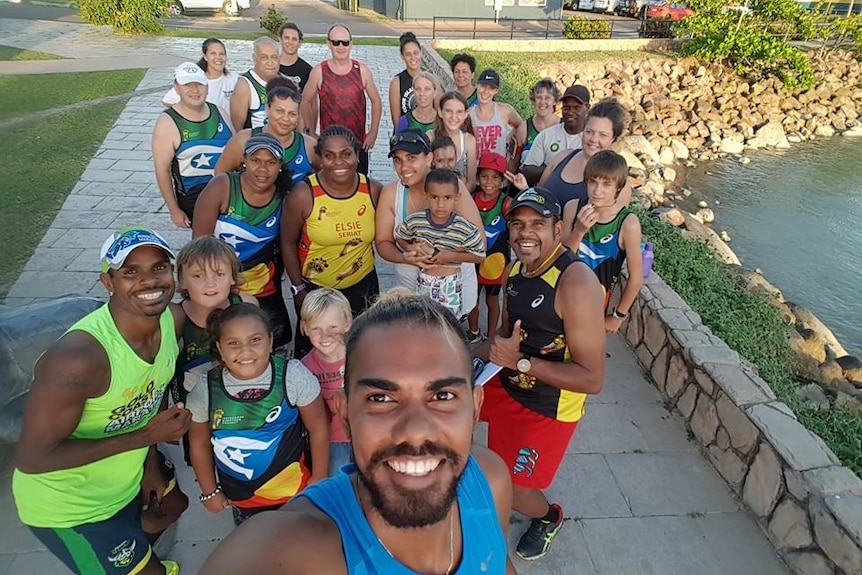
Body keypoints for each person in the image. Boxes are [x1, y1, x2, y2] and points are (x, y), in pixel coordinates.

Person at [198, 290, 517, 575]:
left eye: (443, 396)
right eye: (380, 398)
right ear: (345, 413)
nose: (416, 431)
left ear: (475, 409)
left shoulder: (490, 480)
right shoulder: (290, 546)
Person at [12, 227, 191, 575]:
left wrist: (149, 464)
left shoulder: (171, 321)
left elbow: (150, 397)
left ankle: (132, 555)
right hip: (71, 507)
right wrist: (143, 440)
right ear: (108, 282)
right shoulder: (79, 359)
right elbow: (33, 458)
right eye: (130, 272)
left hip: (125, 476)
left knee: (172, 506)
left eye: (158, 267)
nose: (148, 281)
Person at [477, 187, 605, 561]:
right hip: (509, 382)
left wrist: (520, 363)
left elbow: (593, 379)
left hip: (548, 405)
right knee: (446, 407)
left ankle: (550, 517)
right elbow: (504, 337)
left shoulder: (575, 282)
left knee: (518, 490)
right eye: (517, 224)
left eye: (537, 223)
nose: (525, 233)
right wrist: (464, 353)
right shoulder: (515, 268)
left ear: (559, 229)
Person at [187, 303, 329, 525]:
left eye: (255, 340)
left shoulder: (292, 376)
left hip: (295, 492)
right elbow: (199, 444)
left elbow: (318, 427)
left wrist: (319, 478)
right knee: (255, 551)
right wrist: (209, 492)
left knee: (298, 547)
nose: (246, 351)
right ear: (220, 348)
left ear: (270, 341)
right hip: (243, 500)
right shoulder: (206, 390)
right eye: (233, 343)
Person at [281, 125, 383, 358]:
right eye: (329, 156)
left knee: (362, 353)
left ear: (357, 156)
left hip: (363, 286)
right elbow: (287, 243)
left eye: (346, 154)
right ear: (320, 158)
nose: (338, 162)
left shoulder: (373, 191)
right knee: (316, 356)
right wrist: (298, 289)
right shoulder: (303, 195)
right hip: (317, 290)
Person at [193, 132, 294, 350]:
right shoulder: (222, 186)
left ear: (279, 166)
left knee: (271, 342)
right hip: (219, 280)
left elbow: (289, 243)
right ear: (244, 160)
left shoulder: (286, 196)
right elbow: (199, 246)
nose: (263, 168)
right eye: (255, 160)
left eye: (270, 162)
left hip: (262, 281)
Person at [375, 129, 485, 321]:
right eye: (398, 160)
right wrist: (406, 255)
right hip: (411, 293)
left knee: (451, 335)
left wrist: (439, 253)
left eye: (411, 157)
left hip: (454, 290)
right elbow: (383, 242)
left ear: (429, 158)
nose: (404, 166)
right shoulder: (392, 193)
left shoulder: (452, 187)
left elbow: (479, 242)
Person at [172, 235, 258, 464]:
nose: (210, 283)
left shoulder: (247, 305)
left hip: (242, 409)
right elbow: (162, 370)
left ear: (232, 276)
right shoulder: (174, 318)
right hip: (196, 415)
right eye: (198, 275)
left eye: (219, 274)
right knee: (204, 463)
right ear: (182, 280)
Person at [507, 98, 632, 224]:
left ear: (613, 139)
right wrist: (525, 189)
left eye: (603, 135)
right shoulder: (563, 157)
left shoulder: (618, 182)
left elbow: (611, 229)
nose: (593, 139)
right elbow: (540, 199)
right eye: (589, 132)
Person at [567, 150, 643, 331]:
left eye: (606, 184)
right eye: (592, 182)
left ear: (618, 186)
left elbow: (636, 277)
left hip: (595, 309)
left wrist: (618, 316)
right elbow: (561, 260)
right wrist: (578, 231)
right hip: (562, 297)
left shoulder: (627, 223)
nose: (597, 191)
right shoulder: (573, 207)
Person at [152, 62, 234, 229]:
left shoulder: (219, 112)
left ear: (207, 87)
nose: (195, 90)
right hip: (194, 197)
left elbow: (235, 150)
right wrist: (174, 210)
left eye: (199, 84)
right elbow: (162, 171)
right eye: (187, 85)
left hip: (227, 192)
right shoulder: (167, 123)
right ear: (176, 88)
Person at [395, 169, 486, 317]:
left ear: (457, 197)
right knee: (424, 322)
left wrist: (451, 256)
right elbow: (400, 236)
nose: (440, 204)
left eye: (447, 198)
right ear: (426, 196)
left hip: (450, 285)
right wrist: (410, 247)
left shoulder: (464, 228)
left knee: (448, 325)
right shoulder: (416, 221)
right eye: (434, 197)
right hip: (424, 282)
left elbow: (480, 256)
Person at [302, 24, 382, 176]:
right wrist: (310, 131)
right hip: (330, 147)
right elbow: (305, 101)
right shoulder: (319, 72)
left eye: (345, 42)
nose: (341, 46)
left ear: (351, 44)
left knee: (359, 186)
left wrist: (373, 132)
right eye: (336, 42)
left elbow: (376, 101)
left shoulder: (362, 71)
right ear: (328, 44)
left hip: (357, 144)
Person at [215, 81, 319, 186]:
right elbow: (220, 175)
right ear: (267, 109)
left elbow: (325, 178)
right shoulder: (243, 140)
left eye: (292, 114)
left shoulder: (309, 146)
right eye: (279, 111)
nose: (286, 119)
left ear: (298, 116)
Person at [299, 288, 353, 475]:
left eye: (333, 327)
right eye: (316, 329)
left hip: (366, 432)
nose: (325, 336)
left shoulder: (361, 356)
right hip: (332, 440)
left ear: (347, 323)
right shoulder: (303, 369)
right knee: (337, 486)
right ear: (304, 328)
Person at [466, 152, 512, 343]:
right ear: (478, 177)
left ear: (502, 180)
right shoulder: (470, 199)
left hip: (496, 262)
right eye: (484, 176)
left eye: (495, 177)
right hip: (472, 260)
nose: (489, 182)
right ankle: (474, 332)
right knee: (472, 300)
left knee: (492, 301)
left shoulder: (506, 203)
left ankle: (491, 335)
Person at [521, 84, 590, 186]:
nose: (571, 112)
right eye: (567, 107)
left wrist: (548, 168)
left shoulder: (592, 140)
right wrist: (558, 168)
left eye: (577, 108)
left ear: (587, 107)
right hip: (546, 196)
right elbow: (527, 171)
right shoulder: (546, 135)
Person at [469, 69, 525, 173]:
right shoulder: (468, 114)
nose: (486, 91)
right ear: (477, 85)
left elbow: (521, 125)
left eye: (491, 88)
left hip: (498, 173)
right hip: (476, 172)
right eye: (483, 86)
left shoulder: (505, 110)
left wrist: (510, 137)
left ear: (496, 91)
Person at [162, 38, 240, 112]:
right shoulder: (197, 79)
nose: (218, 57)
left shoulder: (234, 78)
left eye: (222, 54)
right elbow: (168, 100)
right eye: (213, 53)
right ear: (205, 56)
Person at [429, 91, 477, 191]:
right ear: (440, 112)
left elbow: (471, 182)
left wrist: (455, 200)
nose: (454, 117)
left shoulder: (469, 140)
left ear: (466, 114)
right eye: (449, 111)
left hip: (461, 196)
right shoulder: (430, 137)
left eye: (459, 112)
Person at [231, 36, 281, 130]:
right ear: (254, 59)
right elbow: (236, 129)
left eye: (274, 57)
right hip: (256, 142)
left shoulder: (286, 82)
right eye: (264, 57)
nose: (270, 63)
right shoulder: (244, 86)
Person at [519, 78, 561, 169]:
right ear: (533, 100)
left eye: (547, 98)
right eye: (539, 97)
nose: (542, 102)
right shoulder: (524, 128)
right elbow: (513, 163)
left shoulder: (564, 126)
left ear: (555, 101)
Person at [388, 31, 422, 128]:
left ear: (421, 53)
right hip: (406, 136)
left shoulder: (432, 80)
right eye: (408, 54)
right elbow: (396, 121)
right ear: (402, 56)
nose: (413, 57)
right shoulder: (397, 83)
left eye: (416, 53)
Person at [278, 23, 313, 92]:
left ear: (299, 43)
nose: (290, 42)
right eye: (286, 38)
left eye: (294, 39)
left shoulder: (308, 71)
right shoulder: (270, 66)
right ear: (280, 39)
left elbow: (310, 100)